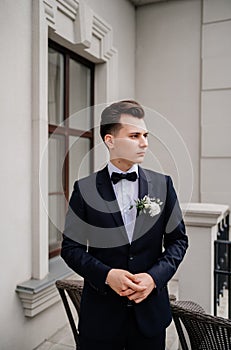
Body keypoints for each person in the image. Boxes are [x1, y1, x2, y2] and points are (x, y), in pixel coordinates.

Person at [61, 100, 188, 350]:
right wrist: (107, 276)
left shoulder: (163, 184)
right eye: (134, 135)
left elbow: (178, 241)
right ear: (110, 140)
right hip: (100, 318)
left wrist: (153, 278)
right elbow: (70, 248)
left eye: (145, 135)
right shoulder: (84, 189)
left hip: (149, 316)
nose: (144, 142)